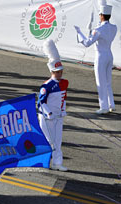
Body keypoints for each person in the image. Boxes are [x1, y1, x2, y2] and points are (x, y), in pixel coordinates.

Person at [74, 2, 117, 114]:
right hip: (109, 54)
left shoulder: (98, 29)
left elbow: (87, 43)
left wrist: (79, 33)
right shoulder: (114, 27)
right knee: (108, 81)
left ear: (102, 15)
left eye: (100, 14)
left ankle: (104, 107)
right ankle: (111, 104)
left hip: (100, 56)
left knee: (100, 81)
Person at [37, 40, 68, 172]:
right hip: (47, 117)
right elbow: (41, 102)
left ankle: (57, 163)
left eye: (60, 71)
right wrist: (48, 113)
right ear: (52, 72)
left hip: (58, 116)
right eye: (56, 72)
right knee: (47, 141)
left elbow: (63, 98)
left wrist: (63, 110)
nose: (59, 74)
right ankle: (42, 162)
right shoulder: (46, 85)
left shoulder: (65, 83)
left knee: (57, 141)